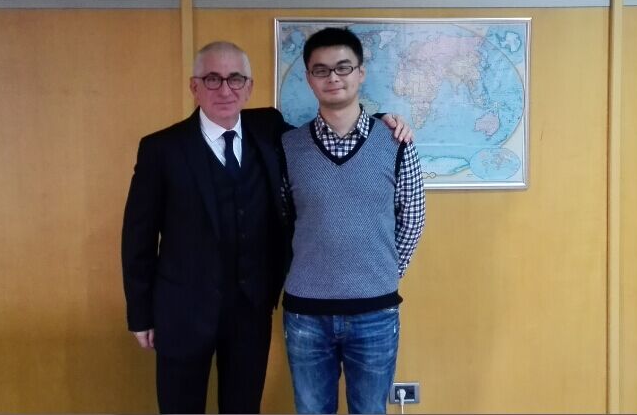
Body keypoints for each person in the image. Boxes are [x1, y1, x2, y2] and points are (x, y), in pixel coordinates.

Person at [121, 41, 412, 414]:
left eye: (235, 79)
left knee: (244, 408)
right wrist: (141, 314)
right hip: (182, 313)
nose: (225, 90)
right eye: (212, 79)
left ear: (249, 87)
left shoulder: (270, 130)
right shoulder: (161, 149)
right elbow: (138, 239)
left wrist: (384, 119)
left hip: (250, 312)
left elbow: (334, 126)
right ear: (194, 86)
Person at [280, 28, 426, 414]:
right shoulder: (288, 147)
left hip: (375, 313)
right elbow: (281, 221)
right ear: (309, 78)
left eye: (343, 67)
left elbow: (412, 217)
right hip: (306, 314)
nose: (333, 77)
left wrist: (383, 273)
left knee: (370, 410)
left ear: (361, 73)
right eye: (321, 70)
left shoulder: (397, 142)